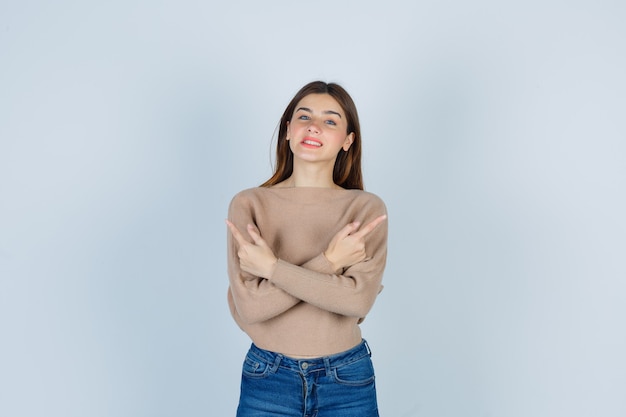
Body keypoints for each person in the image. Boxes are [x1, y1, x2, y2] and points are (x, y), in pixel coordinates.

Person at [225, 80, 388, 417]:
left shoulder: (365, 209)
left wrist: (272, 269)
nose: (314, 126)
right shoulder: (249, 204)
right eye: (304, 117)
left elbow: (356, 300)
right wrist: (331, 262)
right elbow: (251, 308)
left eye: (330, 120)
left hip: (346, 380)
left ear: (347, 141)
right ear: (287, 130)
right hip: (268, 377)